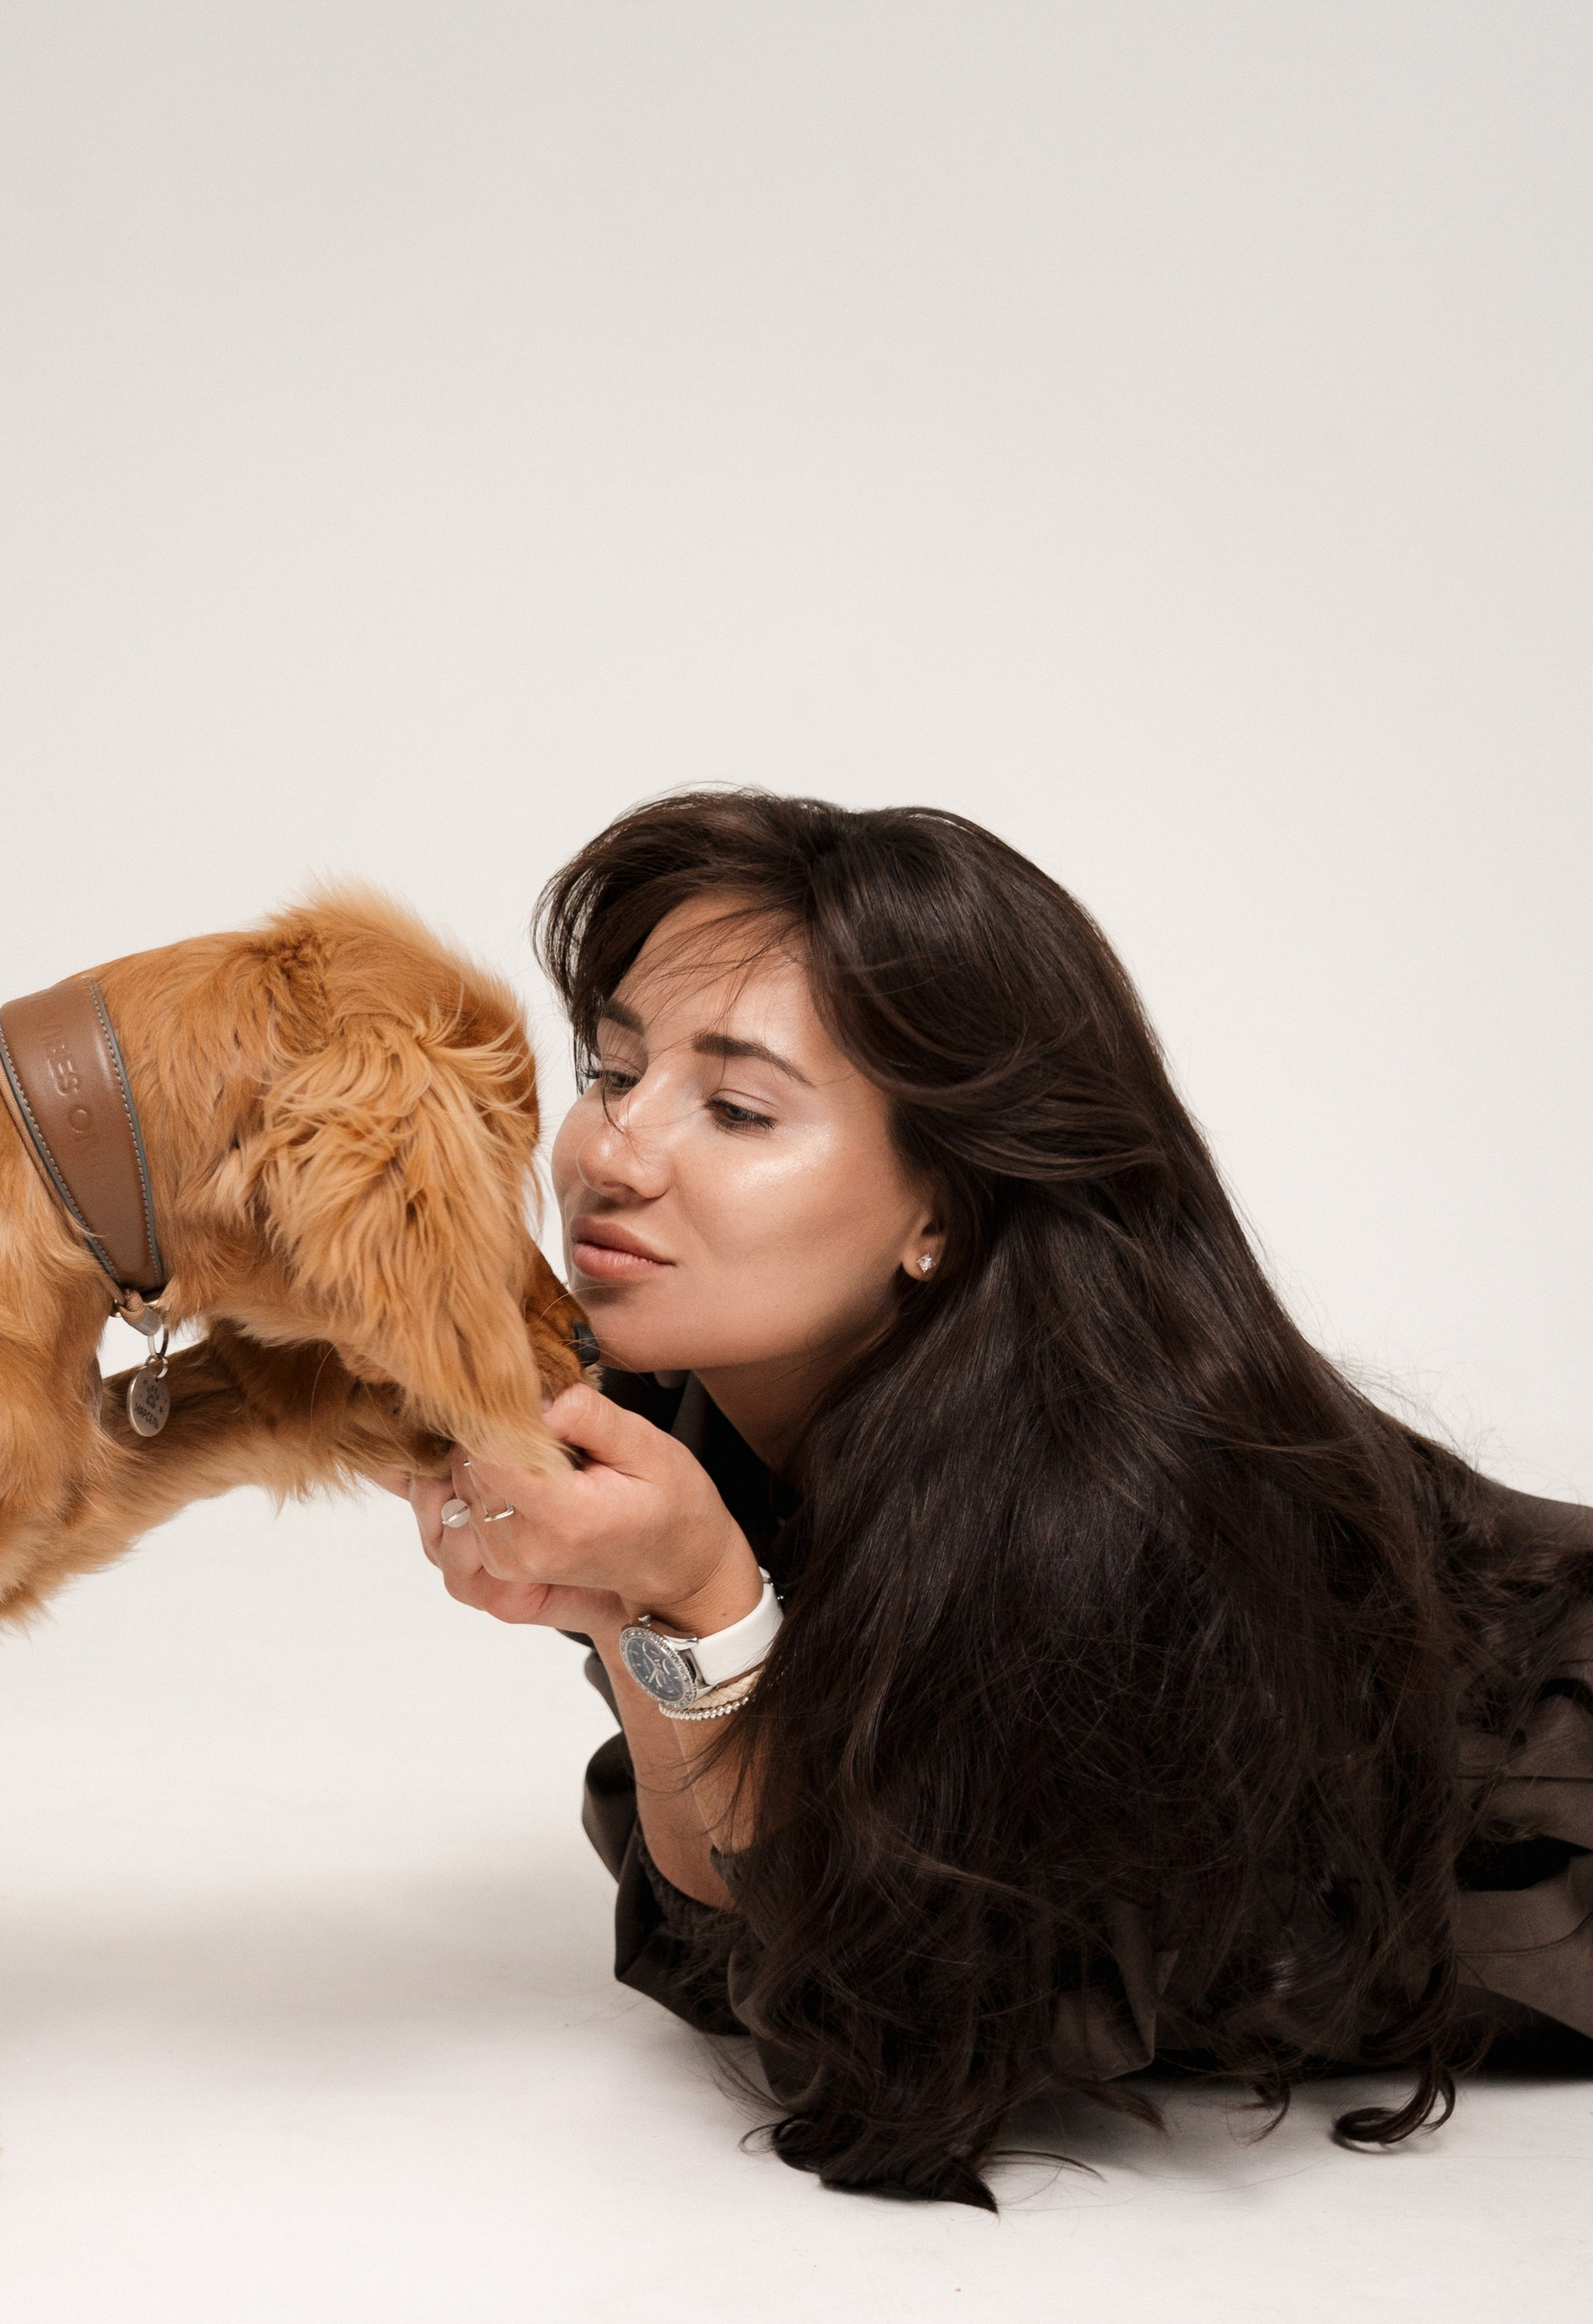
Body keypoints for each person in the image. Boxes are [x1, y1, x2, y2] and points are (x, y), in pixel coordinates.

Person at [397, 791, 1593, 2207]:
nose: (608, 1150)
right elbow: (747, 1905)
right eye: (612, 1070)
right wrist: (637, 1613)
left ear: (943, 1213)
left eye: (736, 1109)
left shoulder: (1107, 1500)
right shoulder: (680, 1413)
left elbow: (908, 2070)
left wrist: (701, 1602)